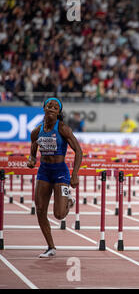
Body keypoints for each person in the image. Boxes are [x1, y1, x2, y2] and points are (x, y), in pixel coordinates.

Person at [27, 97, 83, 258]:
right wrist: (31, 160)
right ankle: (50, 247)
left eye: (55, 107)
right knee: (40, 209)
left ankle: (69, 201)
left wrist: (75, 174)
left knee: (59, 215)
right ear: (44, 108)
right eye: (49, 105)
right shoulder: (36, 131)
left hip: (60, 171)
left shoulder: (63, 128)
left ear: (59, 112)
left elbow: (79, 151)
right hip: (44, 171)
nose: (52, 108)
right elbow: (32, 153)